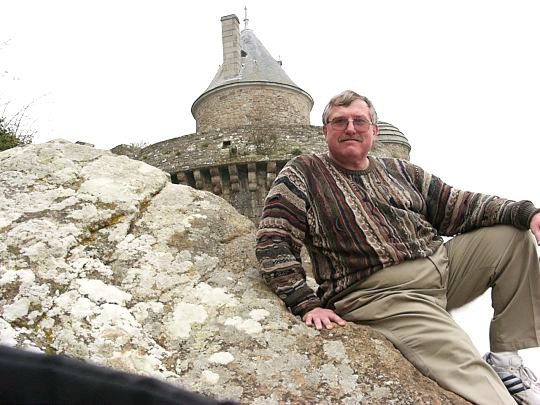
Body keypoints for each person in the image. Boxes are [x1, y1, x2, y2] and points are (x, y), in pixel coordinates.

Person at [255, 90, 540, 404]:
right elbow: (273, 240)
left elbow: (460, 205)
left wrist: (528, 213)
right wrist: (306, 303)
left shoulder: (401, 171)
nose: (350, 128)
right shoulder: (304, 173)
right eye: (339, 121)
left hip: (443, 267)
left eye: (359, 121)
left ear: (374, 131)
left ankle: (506, 360)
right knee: (463, 363)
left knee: (513, 236)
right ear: (325, 131)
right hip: (384, 295)